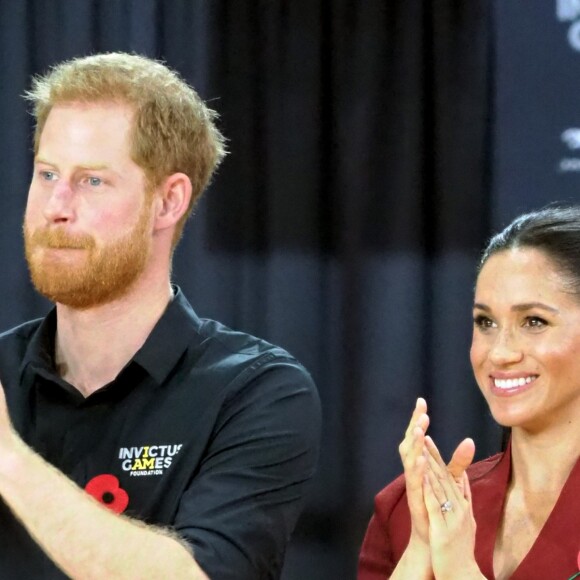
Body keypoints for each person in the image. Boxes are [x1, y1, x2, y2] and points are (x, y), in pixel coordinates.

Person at [0, 52, 321, 579]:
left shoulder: (256, 390)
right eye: (47, 173)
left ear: (168, 201)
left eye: (91, 181)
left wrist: (9, 460)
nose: (55, 205)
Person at [358, 205, 580, 579]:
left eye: (534, 321)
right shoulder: (408, 509)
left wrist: (459, 568)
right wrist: (421, 551)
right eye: (486, 322)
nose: (500, 352)